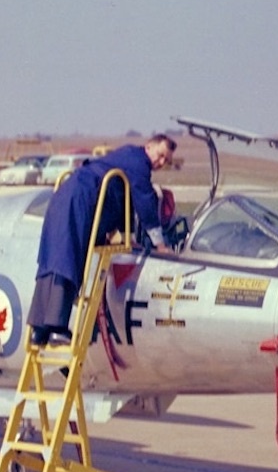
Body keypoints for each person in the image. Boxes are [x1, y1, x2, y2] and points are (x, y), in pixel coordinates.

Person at [30, 134, 177, 345]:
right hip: (80, 199)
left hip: (67, 198)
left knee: (54, 259)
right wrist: (161, 245)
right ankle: (56, 327)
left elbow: (123, 202)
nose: (161, 162)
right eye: (160, 155)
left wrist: (127, 237)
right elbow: (144, 202)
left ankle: (39, 331)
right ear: (149, 147)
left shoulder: (127, 158)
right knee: (66, 260)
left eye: (166, 161)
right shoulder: (139, 164)